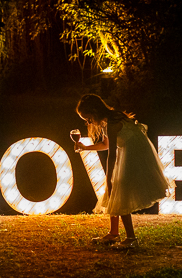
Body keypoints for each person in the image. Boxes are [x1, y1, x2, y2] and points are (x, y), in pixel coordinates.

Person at [74, 94, 173, 248]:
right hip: (129, 150)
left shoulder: (112, 123)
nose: (88, 122)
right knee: (114, 190)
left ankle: (131, 238)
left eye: (88, 118)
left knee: (120, 190)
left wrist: (109, 177)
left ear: (95, 111)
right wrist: (86, 148)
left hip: (134, 154)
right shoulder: (111, 118)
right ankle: (114, 233)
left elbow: (112, 153)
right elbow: (106, 145)